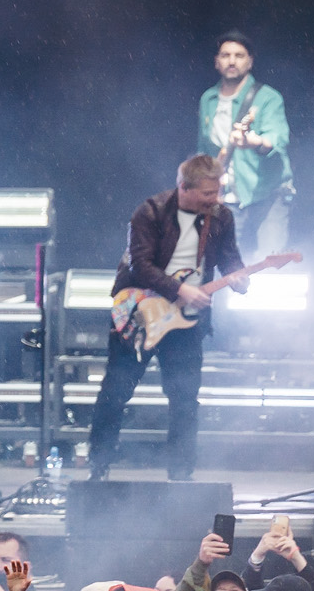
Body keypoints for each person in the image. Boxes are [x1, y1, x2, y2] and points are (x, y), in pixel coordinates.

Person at [85, 155, 248, 483]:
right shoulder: (151, 212)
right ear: (184, 188)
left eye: (217, 191)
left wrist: (239, 277)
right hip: (139, 313)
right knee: (116, 390)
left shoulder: (221, 218)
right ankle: (98, 466)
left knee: (185, 397)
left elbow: (230, 258)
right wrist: (180, 290)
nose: (214, 199)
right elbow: (140, 265)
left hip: (186, 321)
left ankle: (181, 473)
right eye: (207, 193)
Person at [200, 32, 292, 260]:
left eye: (239, 56)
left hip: (267, 194)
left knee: (269, 263)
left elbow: (277, 139)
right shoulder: (208, 99)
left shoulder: (268, 97)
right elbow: (205, 149)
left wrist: (255, 142)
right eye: (226, 55)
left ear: (250, 61)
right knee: (226, 264)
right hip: (226, 198)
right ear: (216, 61)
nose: (232, 61)